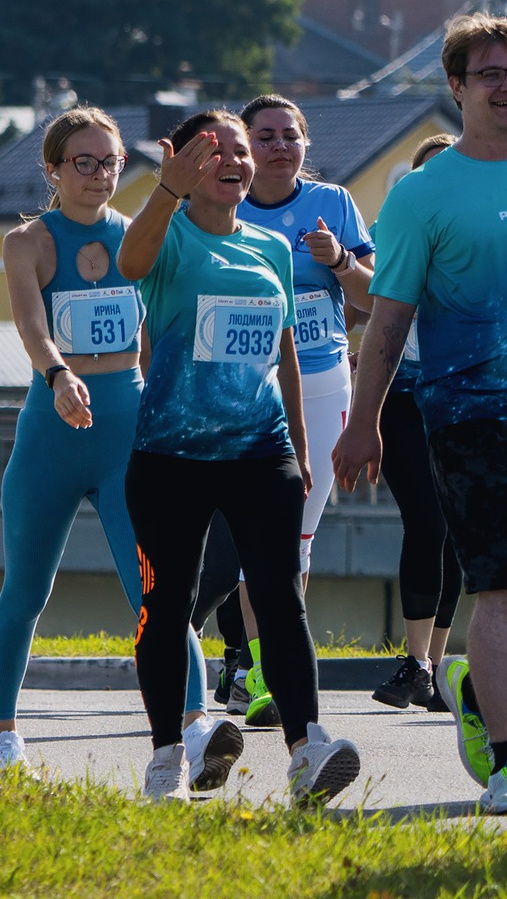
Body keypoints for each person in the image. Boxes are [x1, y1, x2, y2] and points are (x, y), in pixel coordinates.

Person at [118, 109, 358, 803]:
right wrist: (164, 191)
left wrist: (303, 451)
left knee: (281, 596)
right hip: (172, 454)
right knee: (169, 602)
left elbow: (284, 348)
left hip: (262, 450)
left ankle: (307, 748)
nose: (233, 159)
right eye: (212, 150)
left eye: (239, 150)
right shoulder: (167, 233)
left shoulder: (270, 247)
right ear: (186, 163)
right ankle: (167, 753)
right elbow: (131, 263)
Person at [0, 110, 214, 777]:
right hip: (53, 430)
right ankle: (1, 734)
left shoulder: (140, 234)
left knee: (157, 592)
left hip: (128, 432)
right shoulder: (28, 240)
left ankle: (194, 726)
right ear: (53, 168)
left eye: (109, 161)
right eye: (83, 161)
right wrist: (57, 375)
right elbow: (30, 324)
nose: (99, 174)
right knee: (26, 589)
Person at [335, 14, 507, 813]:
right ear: (456, 87)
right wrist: (362, 419)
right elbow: (389, 319)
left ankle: (484, 698)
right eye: (491, 74)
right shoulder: (424, 192)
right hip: (472, 415)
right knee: (506, 588)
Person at [217, 94, 374, 726]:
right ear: (246, 146)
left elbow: (375, 295)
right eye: (267, 136)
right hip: (246, 388)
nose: (280, 146)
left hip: (322, 383)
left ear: (306, 144)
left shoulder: (332, 204)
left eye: (291, 136)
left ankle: (274, 670)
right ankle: (260, 673)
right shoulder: (225, 207)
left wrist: (336, 260)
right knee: (257, 534)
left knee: (295, 538)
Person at [371, 131, 463, 712]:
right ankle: (416, 661)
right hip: (404, 398)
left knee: (452, 531)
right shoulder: (396, 234)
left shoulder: (482, 238)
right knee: (425, 522)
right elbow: (368, 305)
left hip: (466, 398)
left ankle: (432, 665)